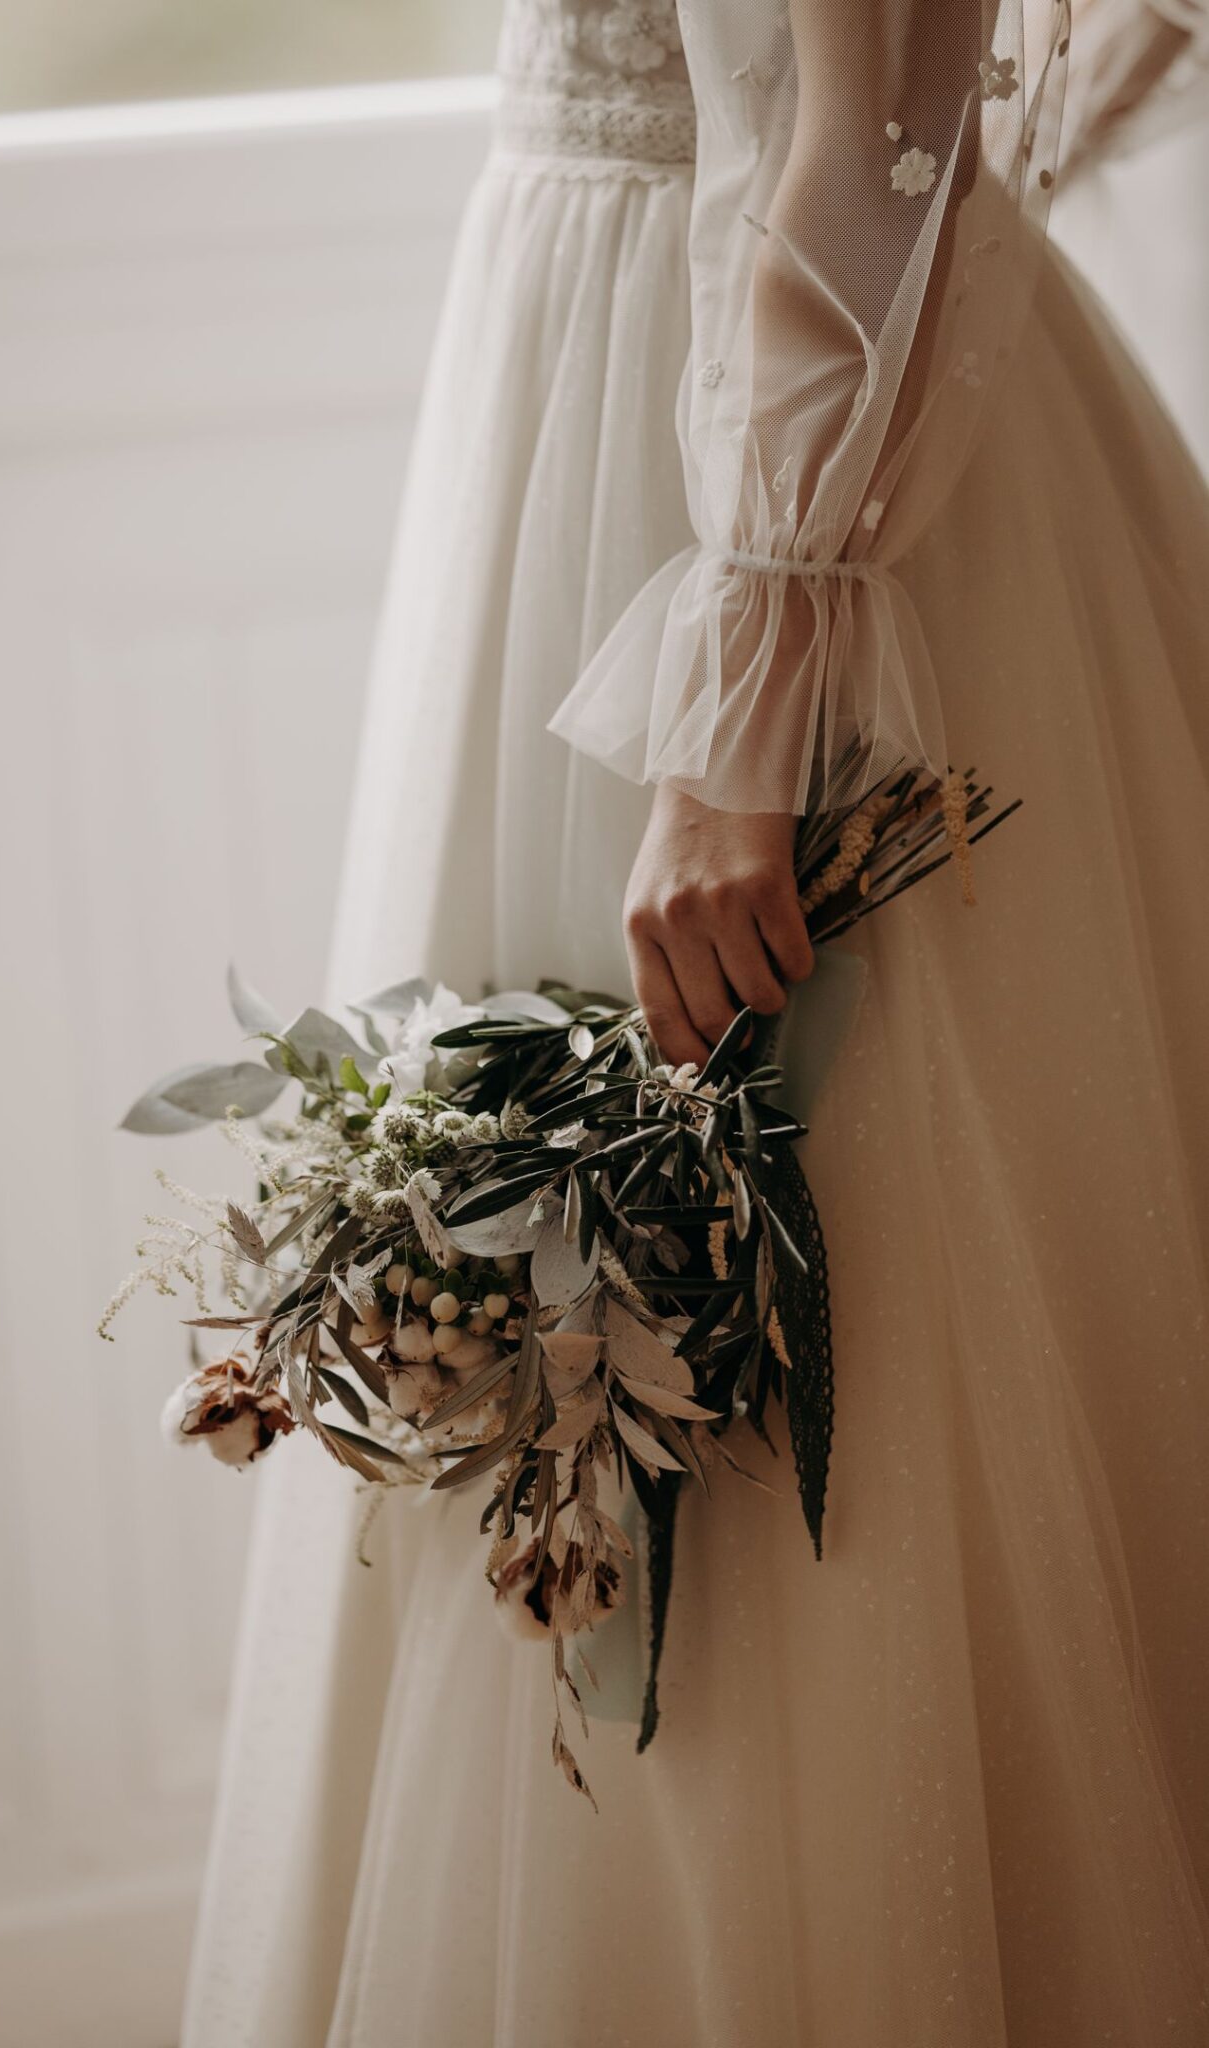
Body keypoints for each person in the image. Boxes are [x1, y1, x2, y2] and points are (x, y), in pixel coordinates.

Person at [182, 4, 1209, 2041]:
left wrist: (747, 687)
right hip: (628, 394)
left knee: (841, 1346)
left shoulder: (755, 592)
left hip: (744, 496)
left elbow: (888, 103)